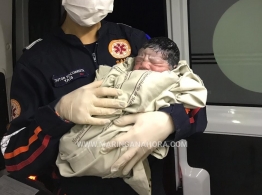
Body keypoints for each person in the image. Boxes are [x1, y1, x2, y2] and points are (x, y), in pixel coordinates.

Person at [0, 0, 207, 195]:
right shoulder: (36, 60)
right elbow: (15, 158)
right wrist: (59, 113)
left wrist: (166, 121)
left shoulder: (135, 41)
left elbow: (195, 105)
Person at [56, 37, 207, 195]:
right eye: (139, 59)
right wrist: (57, 112)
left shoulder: (133, 36)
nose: (143, 65)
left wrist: (169, 119)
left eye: (155, 63)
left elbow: (197, 110)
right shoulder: (40, 55)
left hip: (141, 177)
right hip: (78, 183)